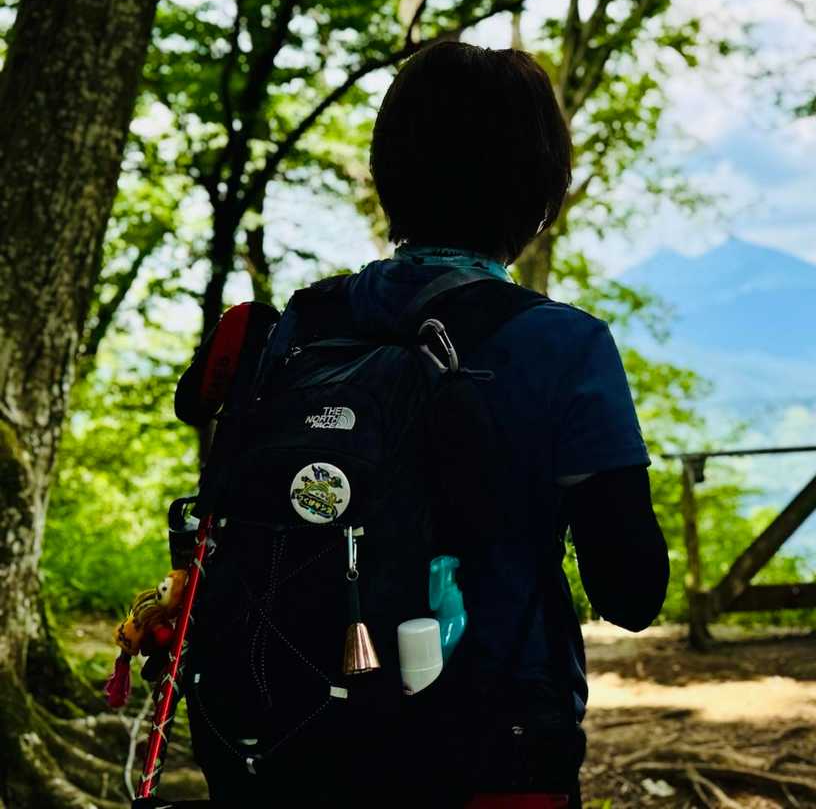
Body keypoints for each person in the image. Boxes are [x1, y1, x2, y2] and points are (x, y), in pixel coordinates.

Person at [181, 42, 670, 807]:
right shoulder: (563, 345)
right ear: (539, 190)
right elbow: (633, 593)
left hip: (287, 747)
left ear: (389, 174)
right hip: (493, 755)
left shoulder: (303, 323)